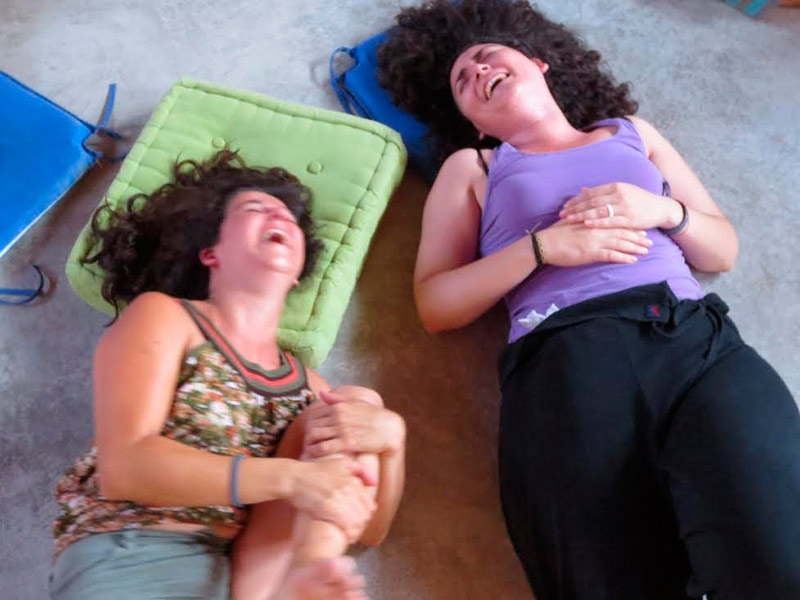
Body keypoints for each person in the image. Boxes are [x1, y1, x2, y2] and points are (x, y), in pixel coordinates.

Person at [377, 1, 800, 599]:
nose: (477, 71)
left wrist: (664, 210)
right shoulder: (473, 167)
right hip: (565, 361)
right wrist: (542, 248)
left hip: (693, 343)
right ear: (474, 124)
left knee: (783, 565)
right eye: (462, 81)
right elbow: (435, 304)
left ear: (539, 63)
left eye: (486, 57)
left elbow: (722, 249)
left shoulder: (633, 133)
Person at [50, 149, 406, 600]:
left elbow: (366, 527)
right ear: (210, 252)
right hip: (131, 551)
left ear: (299, 273)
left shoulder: (315, 392)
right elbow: (125, 468)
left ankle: (307, 574)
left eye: (290, 218)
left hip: (238, 579)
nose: (280, 214)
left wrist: (392, 441)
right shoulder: (165, 317)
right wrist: (295, 479)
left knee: (357, 405)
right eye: (255, 208)